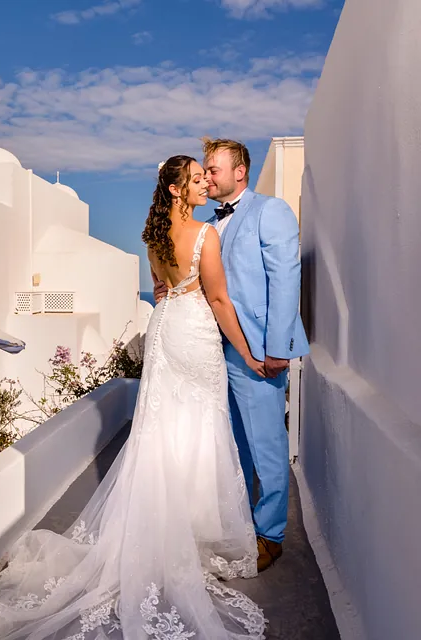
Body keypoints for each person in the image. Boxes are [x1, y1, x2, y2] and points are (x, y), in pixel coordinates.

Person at [0, 156, 266, 640]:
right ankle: (191, 536)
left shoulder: (154, 238)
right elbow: (219, 300)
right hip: (195, 335)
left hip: (165, 331)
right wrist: (248, 351)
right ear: (179, 190)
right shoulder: (206, 234)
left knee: (162, 430)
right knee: (199, 427)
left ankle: (170, 533)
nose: (206, 185)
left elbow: (161, 293)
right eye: (198, 180)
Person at [155, 139, 309, 572]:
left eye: (213, 169)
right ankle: (240, 522)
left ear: (239, 171)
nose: (207, 176)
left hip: (257, 351)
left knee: (267, 444)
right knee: (233, 444)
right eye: (203, 170)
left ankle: (271, 535)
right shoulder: (207, 225)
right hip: (211, 347)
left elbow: (284, 279)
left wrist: (277, 348)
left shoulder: (270, 211)